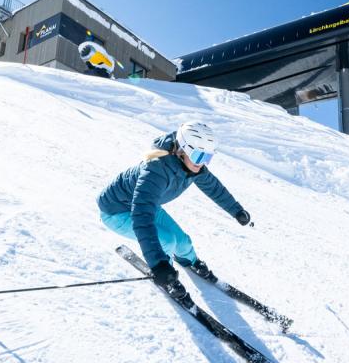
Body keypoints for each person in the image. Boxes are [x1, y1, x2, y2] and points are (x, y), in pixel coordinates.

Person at [97, 122, 252, 305]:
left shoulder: (192, 164)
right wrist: (158, 264)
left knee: (183, 241)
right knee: (167, 240)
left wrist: (236, 210)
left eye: (207, 157)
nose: (202, 162)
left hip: (147, 204)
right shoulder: (155, 171)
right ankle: (169, 280)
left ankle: (191, 261)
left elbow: (212, 186)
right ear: (182, 150)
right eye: (198, 155)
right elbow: (142, 218)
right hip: (117, 210)